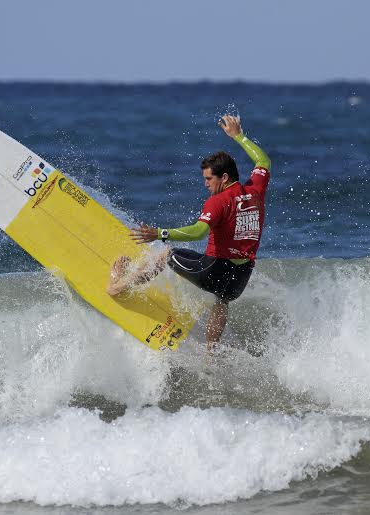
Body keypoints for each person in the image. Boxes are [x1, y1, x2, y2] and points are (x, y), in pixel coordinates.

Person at [107, 114, 271, 350]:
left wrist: (159, 233)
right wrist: (239, 137)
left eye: (208, 179)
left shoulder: (218, 202)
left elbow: (198, 232)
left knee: (166, 255)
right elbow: (263, 161)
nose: (205, 184)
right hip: (239, 278)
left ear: (224, 178)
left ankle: (117, 288)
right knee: (221, 299)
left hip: (214, 270)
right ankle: (210, 354)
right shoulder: (256, 191)